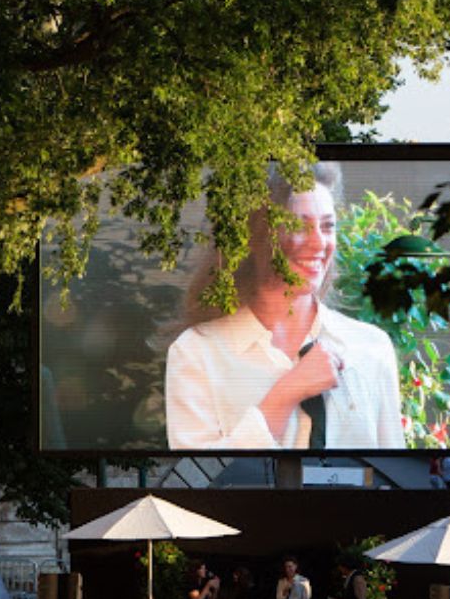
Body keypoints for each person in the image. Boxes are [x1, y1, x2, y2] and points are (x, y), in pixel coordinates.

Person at [165, 161, 406, 451]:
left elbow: (394, 478)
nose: (319, 243)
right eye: (298, 226)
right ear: (252, 237)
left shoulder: (371, 348)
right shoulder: (196, 352)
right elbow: (195, 484)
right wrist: (286, 394)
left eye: (327, 226)